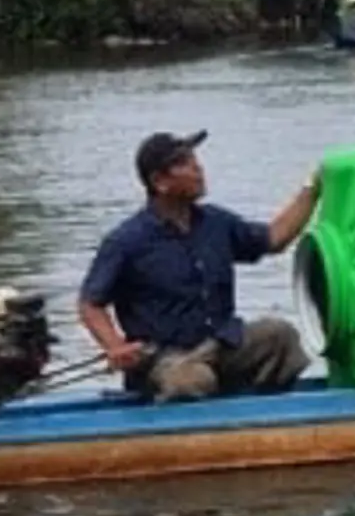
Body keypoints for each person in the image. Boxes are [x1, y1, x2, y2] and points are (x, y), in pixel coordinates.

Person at [78, 130, 321, 401]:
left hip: (222, 345)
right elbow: (91, 304)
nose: (198, 168)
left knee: (280, 336)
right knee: (191, 379)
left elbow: (275, 238)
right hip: (164, 359)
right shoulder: (126, 241)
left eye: (195, 159)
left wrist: (313, 187)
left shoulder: (217, 224)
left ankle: (264, 414)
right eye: (184, 163)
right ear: (160, 182)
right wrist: (115, 346)